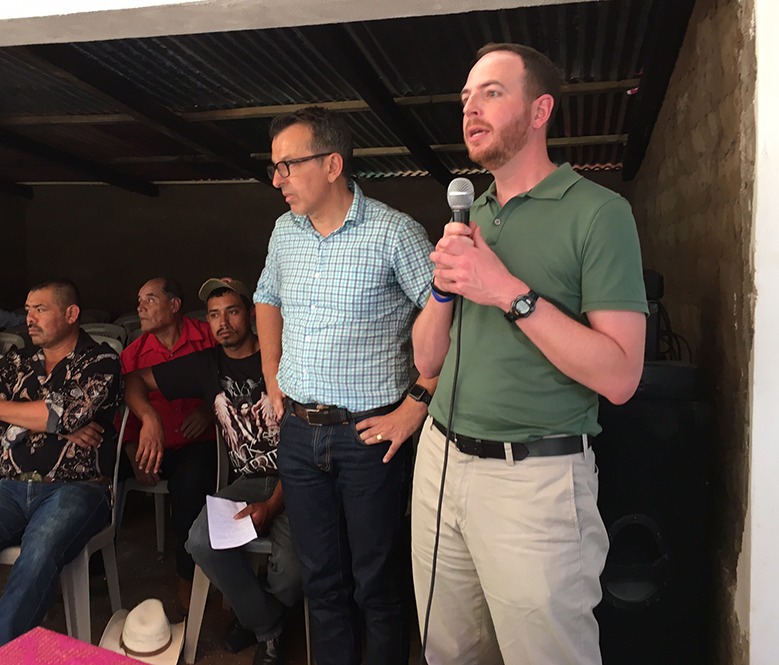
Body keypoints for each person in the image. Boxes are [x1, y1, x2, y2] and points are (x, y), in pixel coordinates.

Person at [410, 43, 648, 665]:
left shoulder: (599, 214)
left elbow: (622, 376)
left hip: (534, 482)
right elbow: (427, 363)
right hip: (439, 463)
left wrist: (509, 293)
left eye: (491, 92)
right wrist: (444, 287)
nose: (471, 108)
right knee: (451, 652)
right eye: (466, 96)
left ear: (540, 110)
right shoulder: (473, 215)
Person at [254, 106, 437, 665]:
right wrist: (271, 373)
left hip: (369, 436)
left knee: (376, 584)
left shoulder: (395, 233)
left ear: (332, 164)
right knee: (321, 581)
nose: (278, 178)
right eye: (275, 167)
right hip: (299, 435)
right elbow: (267, 296)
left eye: (288, 165)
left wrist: (417, 405)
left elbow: (451, 319)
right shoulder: (285, 232)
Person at [0, 279, 122, 665]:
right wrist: (52, 421)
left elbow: (63, 413)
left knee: (39, 551)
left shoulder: (100, 362)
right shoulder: (14, 362)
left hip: (77, 488)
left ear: (71, 314)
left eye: (40, 309)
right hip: (11, 488)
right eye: (27, 309)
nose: (29, 318)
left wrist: (36, 414)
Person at [125, 278, 300, 665]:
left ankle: (256, 617)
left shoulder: (285, 359)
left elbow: (307, 446)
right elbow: (134, 379)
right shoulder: (206, 365)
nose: (223, 323)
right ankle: (269, 626)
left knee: (289, 569)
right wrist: (149, 416)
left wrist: (272, 506)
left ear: (252, 315)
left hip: (299, 479)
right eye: (214, 315)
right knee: (201, 542)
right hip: (248, 482)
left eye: (232, 312)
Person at [119, 276, 218, 612]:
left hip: (198, 444)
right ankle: (88, 564)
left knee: (190, 487)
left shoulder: (208, 338)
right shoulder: (134, 354)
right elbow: (123, 411)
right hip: (151, 449)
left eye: (149, 299)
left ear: (174, 305)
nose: (140, 308)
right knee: (99, 463)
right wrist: (132, 450)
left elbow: (233, 377)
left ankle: (187, 577)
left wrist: (209, 409)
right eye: (138, 301)